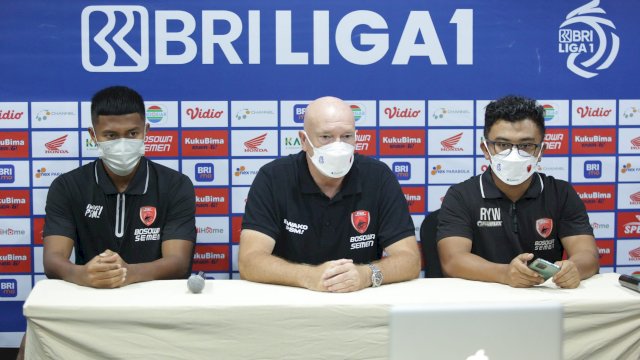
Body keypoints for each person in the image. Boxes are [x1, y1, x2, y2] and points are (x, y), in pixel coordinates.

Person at [238, 96, 421, 292]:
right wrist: (310, 277)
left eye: (347, 136)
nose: (338, 146)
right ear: (304, 140)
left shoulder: (378, 177)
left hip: (359, 303)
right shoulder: (273, 178)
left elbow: (410, 260)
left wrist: (366, 275)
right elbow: (249, 261)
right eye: (326, 137)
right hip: (290, 304)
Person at [437, 95, 599, 289]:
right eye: (503, 145)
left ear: (541, 151)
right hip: (480, 304)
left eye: (525, 145)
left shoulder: (561, 193)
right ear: (486, 149)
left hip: (543, 302)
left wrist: (574, 269)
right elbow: (452, 260)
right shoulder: (461, 195)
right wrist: (505, 274)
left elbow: (587, 254)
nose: (514, 154)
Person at [42, 86, 196, 287]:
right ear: (93, 135)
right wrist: (81, 274)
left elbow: (179, 263)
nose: (123, 144)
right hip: (91, 301)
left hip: (158, 304)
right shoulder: (67, 186)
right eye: (111, 135)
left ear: (146, 131)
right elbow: (53, 259)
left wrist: (128, 273)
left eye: (132, 133)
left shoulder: (175, 185)